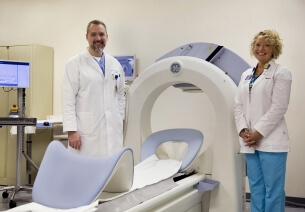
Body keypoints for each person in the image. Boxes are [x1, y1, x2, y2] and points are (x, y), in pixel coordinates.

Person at [234, 30, 292, 212]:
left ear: (274, 49)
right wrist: (243, 130)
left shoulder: (282, 73)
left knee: (273, 190)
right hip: (249, 141)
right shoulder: (245, 75)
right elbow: (238, 105)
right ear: (253, 48)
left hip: (272, 141)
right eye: (258, 44)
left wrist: (258, 132)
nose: (261, 48)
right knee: (256, 188)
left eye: (267, 45)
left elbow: (279, 107)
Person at [62, 20, 126, 157]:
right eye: (93, 34)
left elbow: (121, 94)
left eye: (101, 34)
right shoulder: (75, 63)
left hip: (112, 130)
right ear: (87, 37)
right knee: (85, 172)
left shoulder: (115, 64)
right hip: (86, 132)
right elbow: (68, 99)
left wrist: (119, 118)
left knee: (110, 170)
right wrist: (71, 131)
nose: (98, 38)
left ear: (107, 37)